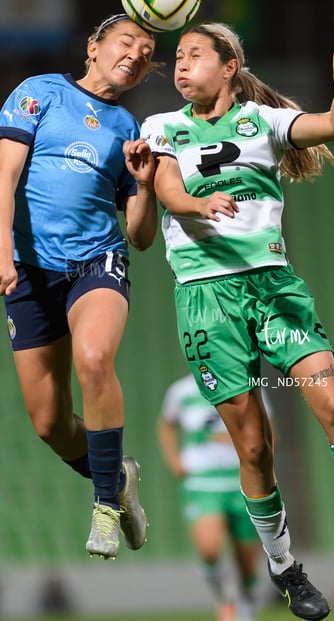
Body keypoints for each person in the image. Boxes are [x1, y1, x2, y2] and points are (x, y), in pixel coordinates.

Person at [125, 17, 334, 620]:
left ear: (230, 68)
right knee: (252, 448)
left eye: (195, 55)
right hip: (205, 297)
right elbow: (161, 206)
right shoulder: (160, 127)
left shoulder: (264, 123)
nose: (181, 65)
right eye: (178, 57)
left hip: (274, 289)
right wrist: (182, 200)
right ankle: (287, 572)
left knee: (332, 404)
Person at [0, 13, 160, 560]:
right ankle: (118, 475)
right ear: (93, 47)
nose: (137, 55)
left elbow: (139, 238)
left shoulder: (130, 130)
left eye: (147, 52)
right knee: (49, 423)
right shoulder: (39, 92)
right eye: (127, 42)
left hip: (96, 263)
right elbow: (5, 176)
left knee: (95, 359)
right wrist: (2, 250)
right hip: (28, 273)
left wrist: (143, 187)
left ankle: (105, 507)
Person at [159, 374, 273, 621]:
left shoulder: (246, 384)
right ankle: (225, 599)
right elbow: (166, 425)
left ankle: (247, 605)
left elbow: (268, 430)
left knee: (246, 561)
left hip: (242, 482)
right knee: (209, 549)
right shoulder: (181, 390)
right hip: (202, 482)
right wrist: (174, 461)